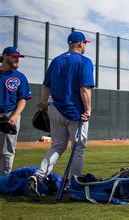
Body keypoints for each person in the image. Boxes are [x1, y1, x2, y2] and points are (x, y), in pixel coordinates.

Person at [29, 31, 94, 201]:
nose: (85, 46)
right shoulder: (85, 61)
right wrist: (88, 109)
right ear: (80, 44)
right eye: (85, 43)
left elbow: (46, 86)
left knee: (57, 146)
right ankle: (75, 185)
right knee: (78, 148)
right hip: (74, 111)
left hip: (53, 107)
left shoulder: (56, 60)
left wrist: (44, 105)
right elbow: (84, 88)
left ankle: (39, 174)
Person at [0, 47, 32, 175]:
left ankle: (4, 179)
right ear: (5, 57)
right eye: (14, 56)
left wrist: (15, 116)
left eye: (18, 57)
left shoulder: (20, 77)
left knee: (7, 150)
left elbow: (23, 99)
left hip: (10, 115)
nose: (17, 59)